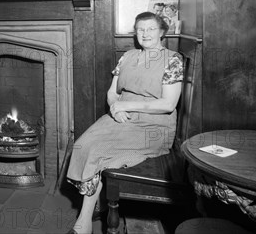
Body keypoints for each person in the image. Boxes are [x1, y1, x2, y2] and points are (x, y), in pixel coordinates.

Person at [66, 12, 183, 234]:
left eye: (150, 29)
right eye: (140, 29)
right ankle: (91, 210)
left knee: (99, 151)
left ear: (161, 32)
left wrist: (125, 106)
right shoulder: (127, 56)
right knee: (82, 145)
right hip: (121, 115)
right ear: (135, 32)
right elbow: (112, 92)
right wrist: (114, 107)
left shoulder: (172, 59)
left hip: (153, 125)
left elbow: (168, 104)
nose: (145, 33)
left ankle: (82, 224)